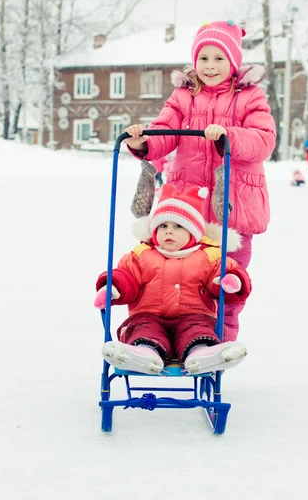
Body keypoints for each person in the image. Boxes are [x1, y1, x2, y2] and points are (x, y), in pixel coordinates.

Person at [123, 20, 276, 341]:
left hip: (231, 210)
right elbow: (165, 130)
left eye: (219, 58)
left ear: (233, 62)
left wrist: (229, 135)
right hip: (186, 209)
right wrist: (144, 142)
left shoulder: (250, 97)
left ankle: (220, 345)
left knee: (226, 284)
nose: (210, 66)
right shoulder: (184, 96)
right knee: (180, 281)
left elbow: (264, 140)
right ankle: (182, 339)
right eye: (203, 58)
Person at [94, 184, 252, 375]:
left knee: (198, 330)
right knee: (144, 329)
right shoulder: (142, 255)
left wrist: (231, 281)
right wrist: (113, 288)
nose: (169, 231)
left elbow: (223, 273)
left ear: (193, 233)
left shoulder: (208, 256)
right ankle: (144, 353)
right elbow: (127, 277)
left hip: (194, 316)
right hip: (148, 315)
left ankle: (201, 354)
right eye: (163, 226)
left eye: (178, 226)